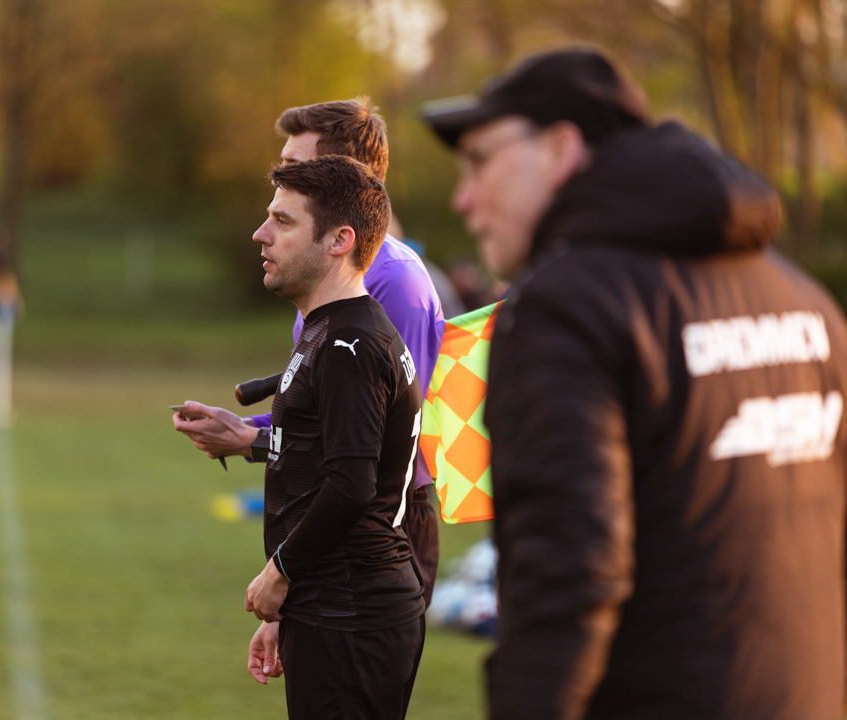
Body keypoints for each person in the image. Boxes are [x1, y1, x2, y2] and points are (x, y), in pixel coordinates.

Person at [422, 46, 847, 719]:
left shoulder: (565, 307)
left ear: (560, 149)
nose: (464, 199)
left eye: (479, 161)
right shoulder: (802, 298)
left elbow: (568, 575)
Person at [173, 98, 445, 605]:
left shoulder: (394, 280)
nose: (282, 179)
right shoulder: (324, 275)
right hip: (328, 507)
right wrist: (246, 429)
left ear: (346, 175)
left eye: (296, 166)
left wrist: (253, 443)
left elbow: (372, 442)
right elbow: (326, 407)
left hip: (381, 522)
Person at [242, 155, 425, 719]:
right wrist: (289, 608)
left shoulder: (351, 346)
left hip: (352, 610)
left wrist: (280, 573)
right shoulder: (329, 329)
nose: (261, 234)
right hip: (330, 604)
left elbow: (350, 486)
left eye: (284, 221)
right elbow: (315, 467)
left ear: (340, 241)